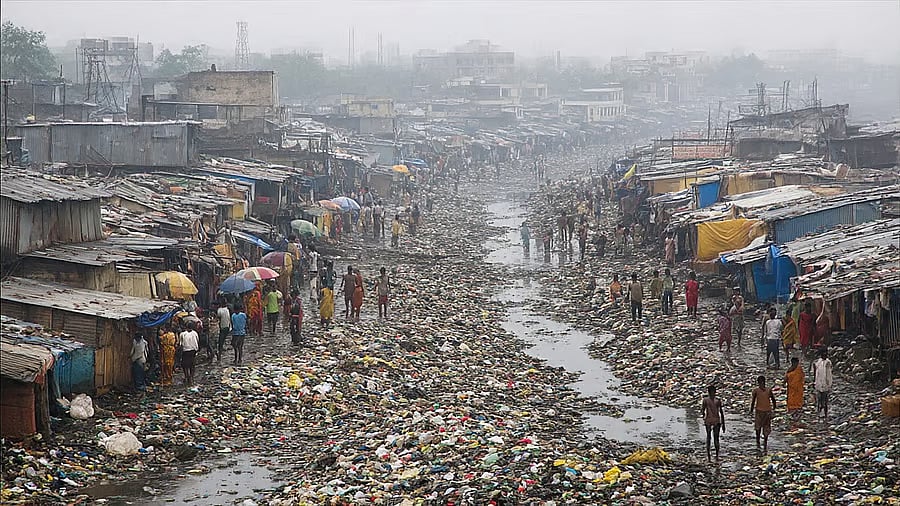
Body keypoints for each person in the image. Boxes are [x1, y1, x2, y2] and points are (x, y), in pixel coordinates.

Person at [750, 375, 776, 454]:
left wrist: (774, 408)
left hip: (767, 412)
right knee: (758, 428)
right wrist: (751, 409)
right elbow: (753, 401)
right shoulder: (756, 391)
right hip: (759, 411)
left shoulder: (768, 390)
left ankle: (765, 444)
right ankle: (758, 442)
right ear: (758, 383)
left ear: (764, 382)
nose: (761, 384)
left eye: (762, 383)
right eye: (760, 383)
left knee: (766, 428)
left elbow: (773, 399)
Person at [701, 385, 725, 461]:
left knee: (710, 438)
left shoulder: (706, 400)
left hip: (710, 420)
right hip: (715, 421)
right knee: (715, 438)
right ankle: (716, 456)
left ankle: (709, 456)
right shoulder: (717, 400)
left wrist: (703, 416)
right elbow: (721, 412)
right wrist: (723, 424)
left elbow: (702, 410)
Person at [810, 348, 833, 420]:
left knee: (825, 400)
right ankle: (819, 412)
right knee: (819, 399)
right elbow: (815, 372)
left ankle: (825, 414)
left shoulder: (828, 362)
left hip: (826, 383)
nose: (825, 355)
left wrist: (829, 384)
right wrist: (814, 382)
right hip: (819, 382)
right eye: (824, 354)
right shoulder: (818, 362)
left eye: (826, 354)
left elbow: (829, 374)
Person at [785, 357, 804, 426]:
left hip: (798, 390)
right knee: (791, 403)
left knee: (798, 404)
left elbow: (802, 378)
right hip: (792, 390)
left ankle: (796, 416)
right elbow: (785, 379)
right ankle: (793, 416)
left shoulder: (799, 370)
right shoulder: (790, 370)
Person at [180, 322, 200, 387]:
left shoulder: (182, 334)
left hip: (186, 351)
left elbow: (181, 344)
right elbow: (197, 341)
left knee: (185, 365)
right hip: (193, 350)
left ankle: (187, 377)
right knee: (192, 364)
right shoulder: (195, 333)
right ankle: (191, 377)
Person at [319, 260, 336, 327]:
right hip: (325, 289)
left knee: (329, 305)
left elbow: (334, 280)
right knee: (323, 304)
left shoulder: (333, 272)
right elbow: (321, 279)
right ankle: (323, 318)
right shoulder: (324, 272)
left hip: (330, 290)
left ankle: (328, 318)